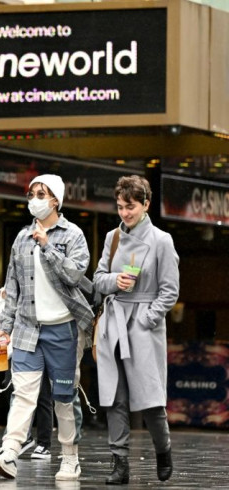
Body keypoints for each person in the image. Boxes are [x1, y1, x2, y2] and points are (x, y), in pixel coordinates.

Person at [0, 174, 93, 481]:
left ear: (55, 200)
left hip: (63, 330)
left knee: (63, 398)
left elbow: (74, 274)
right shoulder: (21, 238)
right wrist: (4, 327)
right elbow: (12, 287)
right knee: (23, 394)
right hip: (28, 329)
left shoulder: (72, 235)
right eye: (32, 193)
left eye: (41, 194)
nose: (34, 199)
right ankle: (9, 452)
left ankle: (70, 457)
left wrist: (47, 247)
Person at [93, 175, 179, 484]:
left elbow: (169, 291)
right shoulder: (112, 237)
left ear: (145, 204)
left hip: (143, 324)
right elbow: (98, 278)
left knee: (150, 399)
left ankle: (163, 449)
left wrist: (147, 320)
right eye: (120, 207)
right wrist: (115, 281)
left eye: (130, 207)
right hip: (114, 322)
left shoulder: (161, 241)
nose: (125, 213)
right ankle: (120, 463)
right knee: (115, 397)